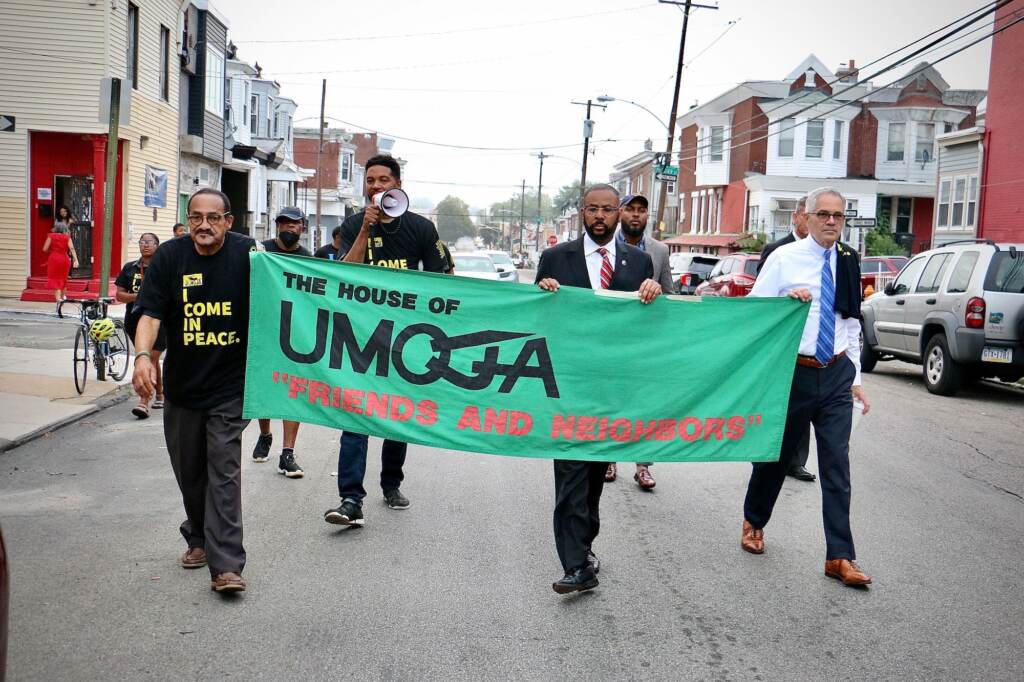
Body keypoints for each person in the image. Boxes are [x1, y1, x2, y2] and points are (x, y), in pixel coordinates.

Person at [740, 186, 873, 589]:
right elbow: (754, 311)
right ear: (807, 216)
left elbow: (850, 320)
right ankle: (754, 520)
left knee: (837, 464)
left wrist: (856, 378)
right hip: (793, 372)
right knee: (776, 457)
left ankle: (840, 555)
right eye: (824, 214)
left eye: (838, 215)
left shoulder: (848, 260)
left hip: (835, 373)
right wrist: (787, 304)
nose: (832, 221)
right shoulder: (784, 259)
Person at [132, 188, 260, 594]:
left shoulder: (248, 255)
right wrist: (142, 357)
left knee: (224, 471)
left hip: (232, 386)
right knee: (190, 473)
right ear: (188, 220)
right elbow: (150, 313)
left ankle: (226, 565)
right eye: (196, 217)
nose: (204, 225)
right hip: (184, 388)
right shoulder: (170, 257)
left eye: (213, 217)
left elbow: (295, 293)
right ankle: (199, 537)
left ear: (228, 221)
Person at [535, 183, 661, 595]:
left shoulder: (640, 262)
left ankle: (584, 548)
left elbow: (654, 326)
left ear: (620, 214)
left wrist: (655, 294)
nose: (602, 217)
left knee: (592, 479)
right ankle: (575, 565)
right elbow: (536, 320)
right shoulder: (555, 259)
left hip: (613, 390)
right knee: (570, 473)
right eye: (594, 209)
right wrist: (543, 295)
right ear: (582, 212)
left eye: (610, 210)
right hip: (569, 386)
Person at [323, 154, 449, 528]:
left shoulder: (421, 229)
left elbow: (441, 281)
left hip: (406, 340)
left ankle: (391, 483)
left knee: (397, 415)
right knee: (356, 415)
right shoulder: (352, 224)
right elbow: (345, 274)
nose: (376, 187)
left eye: (383, 180)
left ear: (397, 184)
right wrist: (364, 230)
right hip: (361, 338)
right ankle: (350, 498)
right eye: (370, 181)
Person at [604, 193, 674, 491]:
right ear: (620, 213)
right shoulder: (606, 246)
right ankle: (608, 457)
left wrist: (658, 289)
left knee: (645, 404)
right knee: (611, 398)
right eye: (630, 209)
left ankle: (643, 465)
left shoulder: (659, 251)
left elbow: (671, 296)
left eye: (641, 210)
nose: (636, 215)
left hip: (646, 343)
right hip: (610, 340)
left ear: (647, 215)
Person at [757, 196, 816, 483]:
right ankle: (765, 453)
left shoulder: (828, 255)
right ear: (797, 217)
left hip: (808, 349)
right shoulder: (776, 251)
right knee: (777, 403)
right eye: (808, 215)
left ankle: (797, 461)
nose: (811, 221)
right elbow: (762, 299)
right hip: (780, 347)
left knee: (802, 406)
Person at [251, 207, 311, 479]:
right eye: (284, 223)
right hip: (263, 329)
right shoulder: (260, 251)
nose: (289, 228)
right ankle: (265, 434)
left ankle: (288, 453)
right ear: (276, 226)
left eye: (294, 224)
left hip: (295, 334)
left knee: (293, 391)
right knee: (265, 389)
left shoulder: (308, 260)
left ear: (303, 228)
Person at [115, 233, 168, 419]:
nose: (145, 245)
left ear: (157, 245)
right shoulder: (130, 268)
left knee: (149, 359)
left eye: (150, 242)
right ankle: (160, 394)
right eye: (142, 242)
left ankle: (143, 402)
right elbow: (119, 295)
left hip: (159, 321)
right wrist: (139, 297)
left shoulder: (163, 268)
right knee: (147, 359)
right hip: (134, 321)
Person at [42, 222, 79, 303]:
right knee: (63, 278)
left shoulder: (51, 236)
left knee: (55, 278)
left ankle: (58, 299)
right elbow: (72, 248)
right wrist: (76, 260)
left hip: (54, 259)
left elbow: (44, 249)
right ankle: (63, 296)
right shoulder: (67, 237)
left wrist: (52, 251)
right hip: (64, 259)